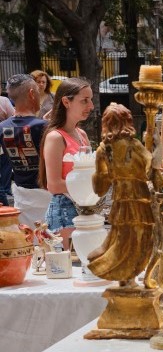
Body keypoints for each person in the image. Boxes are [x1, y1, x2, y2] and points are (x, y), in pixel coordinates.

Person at [88, 103, 162, 282]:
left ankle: (120, 271)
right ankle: (125, 270)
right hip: (138, 198)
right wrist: (157, 143)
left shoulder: (104, 150)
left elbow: (100, 188)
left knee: (121, 232)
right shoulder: (132, 145)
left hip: (122, 198)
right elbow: (152, 167)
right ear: (128, 122)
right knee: (138, 237)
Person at [38, 77, 93, 239]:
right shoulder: (55, 137)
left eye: (90, 100)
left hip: (84, 210)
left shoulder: (81, 134)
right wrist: (93, 184)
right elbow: (54, 185)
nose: (91, 106)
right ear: (66, 102)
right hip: (64, 218)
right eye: (85, 101)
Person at [1, 74, 50, 224]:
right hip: (47, 196)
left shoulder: (2, 127)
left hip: (21, 196)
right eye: (36, 90)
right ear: (31, 93)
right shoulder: (43, 127)